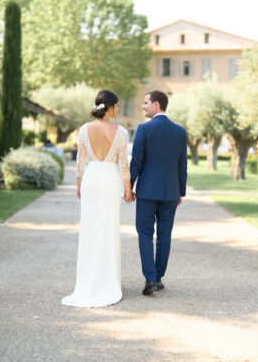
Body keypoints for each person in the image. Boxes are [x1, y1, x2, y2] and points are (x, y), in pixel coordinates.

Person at [61, 90, 134, 308]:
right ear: (110, 107)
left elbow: (80, 162)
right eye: (117, 105)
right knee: (108, 228)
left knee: (90, 229)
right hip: (110, 179)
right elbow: (123, 164)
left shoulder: (84, 129)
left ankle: (88, 279)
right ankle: (108, 279)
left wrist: (78, 185)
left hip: (91, 179)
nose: (118, 109)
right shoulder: (120, 132)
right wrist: (128, 189)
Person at [130, 90, 187, 295]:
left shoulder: (144, 129)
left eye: (146, 102)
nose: (143, 106)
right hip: (170, 192)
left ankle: (150, 279)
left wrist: (129, 187)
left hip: (146, 192)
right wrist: (180, 191)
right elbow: (182, 165)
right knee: (165, 235)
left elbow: (136, 161)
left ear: (156, 105)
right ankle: (158, 278)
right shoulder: (180, 132)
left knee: (145, 234)